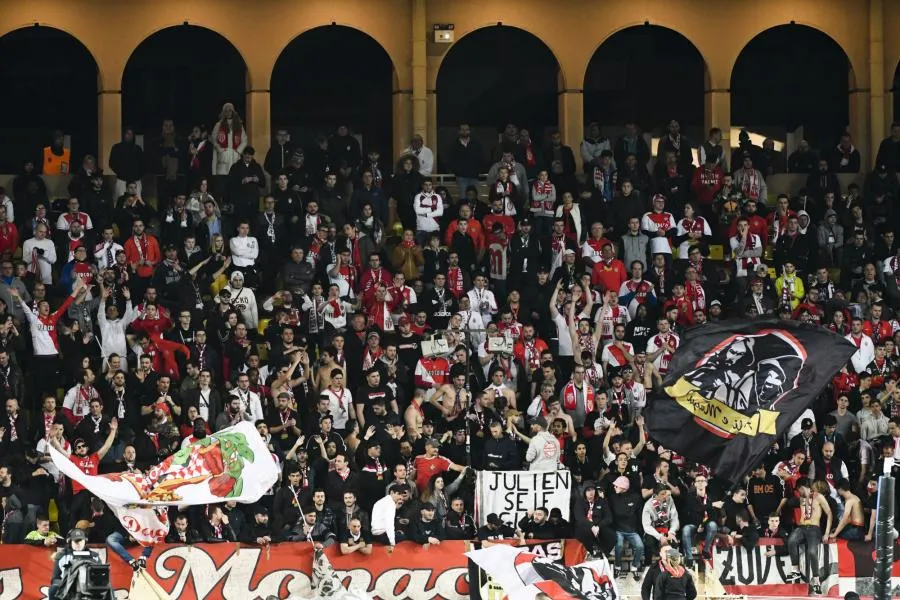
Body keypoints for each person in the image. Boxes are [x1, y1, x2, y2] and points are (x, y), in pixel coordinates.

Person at [49, 528, 112, 600]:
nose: (78, 544)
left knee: (108, 587)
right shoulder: (61, 556)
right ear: (69, 542)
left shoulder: (94, 556)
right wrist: (64, 583)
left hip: (90, 588)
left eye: (81, 541)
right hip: (67, 589)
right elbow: (55, 578)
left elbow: (100, 577)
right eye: (75, 541)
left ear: (85, 541)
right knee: (54, 589)